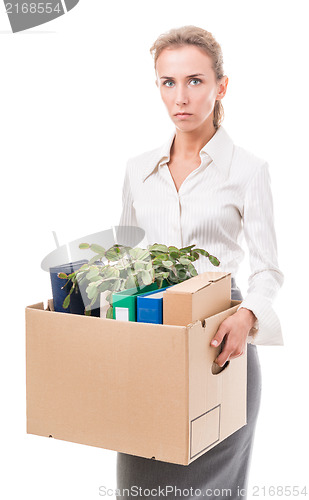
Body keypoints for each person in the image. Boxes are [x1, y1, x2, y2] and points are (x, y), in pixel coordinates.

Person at [116, 25, 284, 500]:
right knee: (141, 486)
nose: (181, 97)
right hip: (150, 340)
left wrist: (247, 315)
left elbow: (268, 269)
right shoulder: (137, 170)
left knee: (215, 490)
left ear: (220, 86)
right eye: (168, 82)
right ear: (157, 87)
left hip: (220, 344)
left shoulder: (248, 171)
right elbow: (126, 261)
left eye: (195, 81)